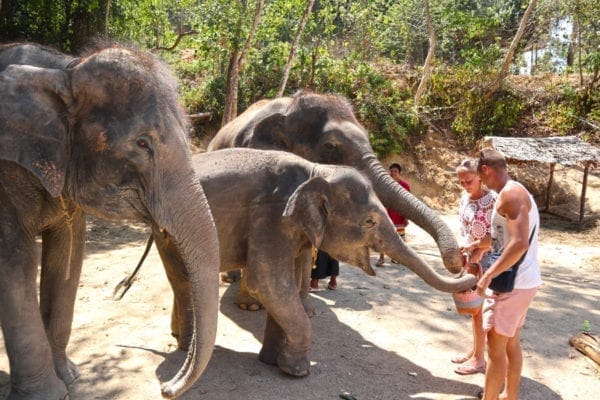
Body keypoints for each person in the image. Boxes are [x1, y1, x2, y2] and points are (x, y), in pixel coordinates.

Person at [473, 148, 542, 400]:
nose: (482, 183)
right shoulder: (513, 191)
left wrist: (488, 274)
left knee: (495, 348)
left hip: (513, 284)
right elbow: (503, 236)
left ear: (485, 170)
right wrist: (478, 245)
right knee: (511, 342)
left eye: (480, 178)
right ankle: (510, 396)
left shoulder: (511, 195)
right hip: (524, 281)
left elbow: (519, 242)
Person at [451, 158, 497, 375]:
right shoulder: (464, 198)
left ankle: (480, 360)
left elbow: (499, 236)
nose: (465, 185)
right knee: (474, 310)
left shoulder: (494, 201)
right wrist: (462, 249)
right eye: (461, 182)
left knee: (483, 313)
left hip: (489, 263)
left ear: (480, 176)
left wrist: (478, 249)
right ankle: (476, 351)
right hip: (471, 261)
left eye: (468, 180)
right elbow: (462, 228)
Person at [377, 163, 410, 266]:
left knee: (398, 239)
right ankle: (381, 258)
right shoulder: (384, 185)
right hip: (386, 215)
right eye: (391, 171)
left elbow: (408, 203)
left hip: (399, 216)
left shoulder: (405, 186)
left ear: (399, 173)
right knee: (383, 237)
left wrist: (406, 217)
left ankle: (395, 258)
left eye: (395, 171)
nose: (393, 173)